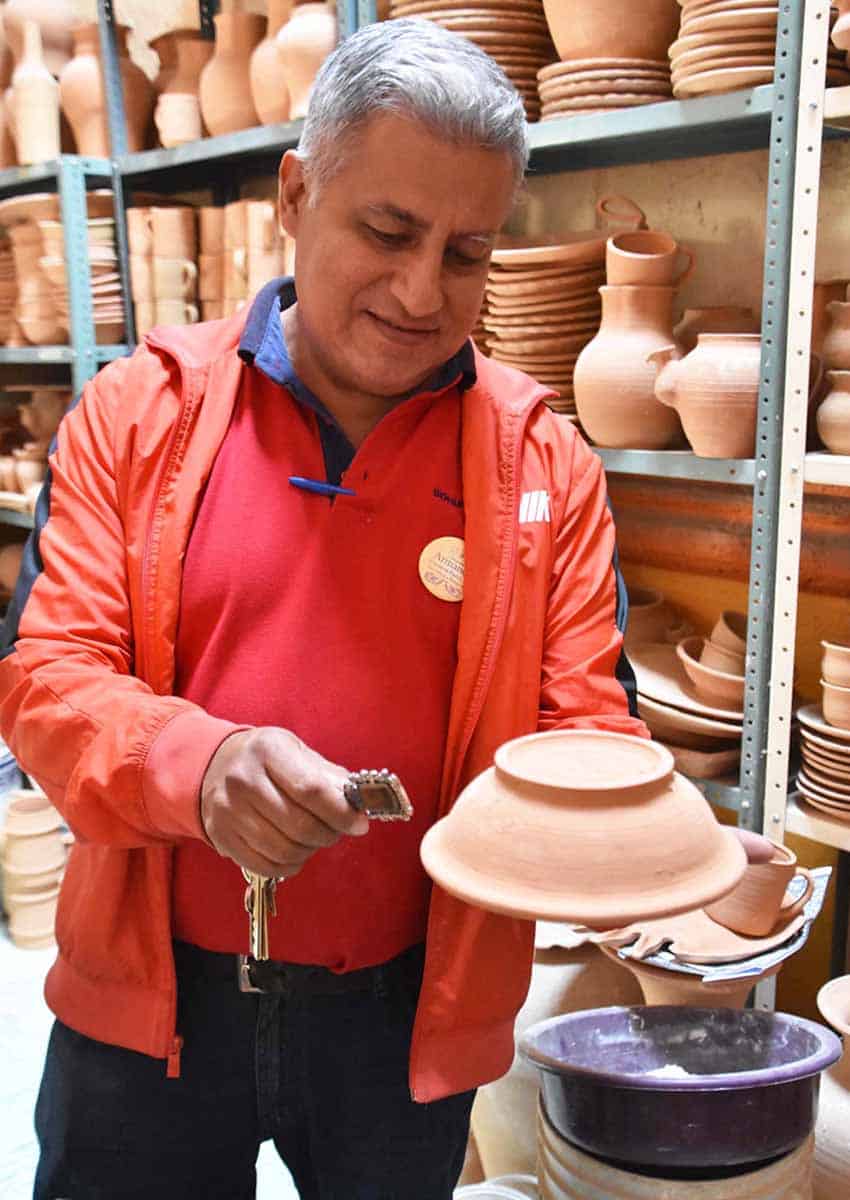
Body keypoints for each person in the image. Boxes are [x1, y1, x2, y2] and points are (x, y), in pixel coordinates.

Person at [0, 19, 766, 1200]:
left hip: (408, 1012)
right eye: (387, 231)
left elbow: (585, 724)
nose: (421, 293)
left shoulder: (543, 463)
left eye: (466, 252)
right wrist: (201, 766)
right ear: (296, 193)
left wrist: (662, 847)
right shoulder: (138, 411)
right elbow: (49, 680)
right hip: (148, 1005)